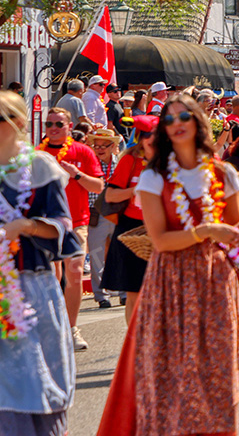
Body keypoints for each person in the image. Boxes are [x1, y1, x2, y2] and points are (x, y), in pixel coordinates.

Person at [96, 95, 239, 436]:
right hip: (170, 279)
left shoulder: (223, 172)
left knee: (217, 373)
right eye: (169, 120)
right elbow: (163, 240)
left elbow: (235, 234)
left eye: (185, 116)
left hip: (214, 279)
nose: (177, 123)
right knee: (168, 374)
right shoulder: (154, 177)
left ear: (198, 121)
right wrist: (207, 230)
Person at [0, 91, 80, 436]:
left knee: (36, 381)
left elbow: (64, 225)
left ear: (17, 123)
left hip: (30, 289)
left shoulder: (39, 166)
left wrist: (25, 226)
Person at [38, 106, 104, 351]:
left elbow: (98, 186)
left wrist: (77, 175)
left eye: (59, 124)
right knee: (51, 277)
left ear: (69, 127)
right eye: (49, 124)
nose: (53, 128)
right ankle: (54, 325)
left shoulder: (82, 152)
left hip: (76, 222)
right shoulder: (37, 154)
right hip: (44, 224)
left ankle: (72, 327)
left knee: (75, 272)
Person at [101, 116, 157, 325]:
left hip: (162, 230)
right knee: (134, 290)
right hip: (132, 230)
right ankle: (134, 342)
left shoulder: (170, 161)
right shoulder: (129, 160)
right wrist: (137, 189)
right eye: (150, 136)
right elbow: (110, 197)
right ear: (142, 138)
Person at [86, 128, 124, 309]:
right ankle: (101, 295)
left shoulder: (121, 163)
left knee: (121, 253)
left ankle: (124, 292)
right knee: (96, 256)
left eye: (104, 145)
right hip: (96, 214)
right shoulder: (88, 164)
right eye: (97, 145)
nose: (100, 149)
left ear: (113, 146)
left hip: (118, 213)